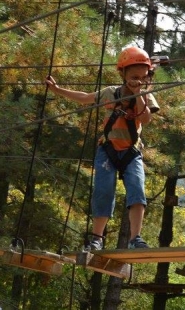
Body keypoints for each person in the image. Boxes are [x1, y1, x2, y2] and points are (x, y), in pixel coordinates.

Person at [46, 46, 159, 250]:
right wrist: (57, 89)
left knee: (137, 191)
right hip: (107, 151)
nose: (138, 80)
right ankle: (97, 238)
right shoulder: (110, 93)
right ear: (122, 73)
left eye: (143, 77)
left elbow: (146, 118)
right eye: (134, 76)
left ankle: (136, 238)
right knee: (103, 191)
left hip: (131, 153)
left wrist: (138, 93)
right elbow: (84, 97)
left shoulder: (146, 96)